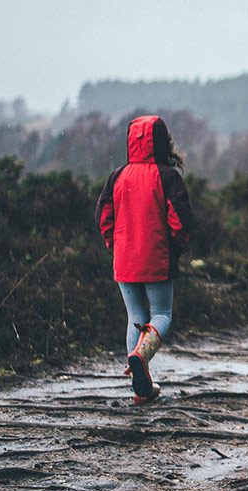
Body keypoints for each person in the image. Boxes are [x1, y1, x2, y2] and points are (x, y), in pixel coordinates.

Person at [95, 115, 192, 405]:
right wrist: (177, 245)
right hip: (157, 257)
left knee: (135, 318)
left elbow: (104, 216)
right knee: (162, 315)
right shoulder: (168, 176)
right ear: (162, 142)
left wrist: (115, 243)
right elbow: (180, 221)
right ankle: (141, 356)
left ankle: (141, 390)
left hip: (124, 259)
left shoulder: (117, 175)